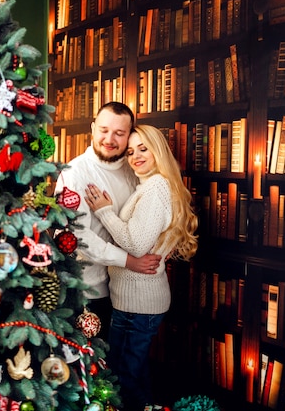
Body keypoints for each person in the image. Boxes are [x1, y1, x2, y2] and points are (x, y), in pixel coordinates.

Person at [84, 124, 199, 411]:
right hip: (133, 300)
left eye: (143, 149)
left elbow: (135, 246)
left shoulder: (157, 187)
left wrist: (104, 212)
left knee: (123, 376)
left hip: (140, 304)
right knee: (133, 372)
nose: (135, 156)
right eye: (131, 151)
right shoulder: (148, 186)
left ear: (157, 150)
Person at [54, 102, 161, 340]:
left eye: (119, 133)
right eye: (103, 130)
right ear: (92, 128)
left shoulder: (134, 168)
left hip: (124, 292)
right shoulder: (75, 172)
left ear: (129, 135)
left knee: (116, 369)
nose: (109, 139)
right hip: (84, 291)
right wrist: (130, 261)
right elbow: (75, 237)